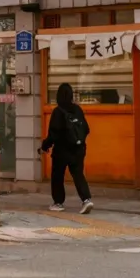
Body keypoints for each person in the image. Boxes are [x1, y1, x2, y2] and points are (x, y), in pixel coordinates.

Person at [41, 82, 94, 214]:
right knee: (78, 175)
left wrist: (45, 145)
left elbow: (53, 134)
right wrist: (78, 141)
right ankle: (86, 200)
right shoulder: (78, 110)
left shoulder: (58, 112)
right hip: (78, 150)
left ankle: (58, 203)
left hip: (61, 151)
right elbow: (86, 129)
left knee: (57, 176)